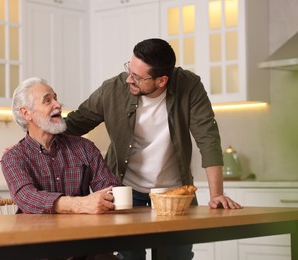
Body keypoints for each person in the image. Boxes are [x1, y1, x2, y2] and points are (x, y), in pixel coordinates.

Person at [64, 38, 242, 259]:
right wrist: (30, 141)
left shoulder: (189, 86)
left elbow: (208, 138)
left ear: (161, 80)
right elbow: (74, 124)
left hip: (174, 196)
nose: (129, 79)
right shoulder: (113, 89)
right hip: (125, 193)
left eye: (137, 77)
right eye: (129, 69)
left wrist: (217, 195)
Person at [1, 77, 122, 216]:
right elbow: (26, 197)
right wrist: (79, 204)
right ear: (26, 113)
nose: (58, 104)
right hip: (36, 235)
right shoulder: (13, 157)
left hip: (82, 234)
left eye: (56, 98)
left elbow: (112, 190)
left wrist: (108, 198)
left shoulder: (85, 148)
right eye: (47, 100)